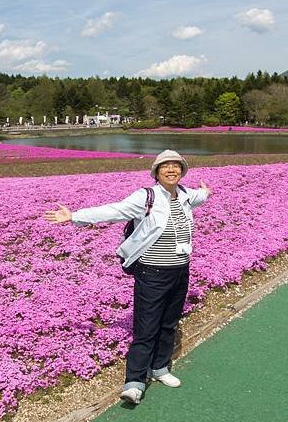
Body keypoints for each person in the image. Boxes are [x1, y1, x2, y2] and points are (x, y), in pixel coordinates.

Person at [44, 149, 211, 405]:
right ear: (156, 172)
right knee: (146, 326)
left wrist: (206, 192)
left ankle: (160, 368)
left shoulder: (187, 195)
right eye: (165, 166)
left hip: (180, 269)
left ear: (182, 171)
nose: (171, 170)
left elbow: (200, 197)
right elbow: (114, 210)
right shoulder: (146, 197)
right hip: (152, 272)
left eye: (176, 166)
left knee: (169, 322)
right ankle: (134, 381)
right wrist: (74, 216)